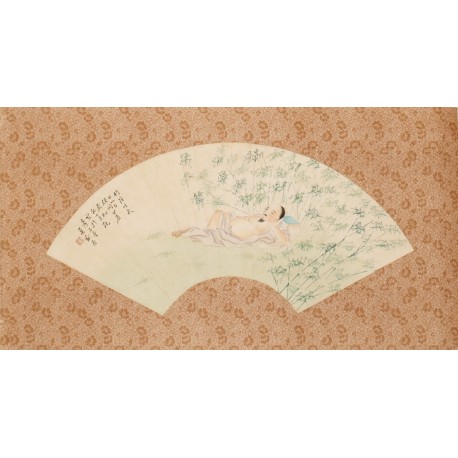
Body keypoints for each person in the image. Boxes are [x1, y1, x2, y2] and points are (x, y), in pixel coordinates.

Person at [171, 204, 290, 247]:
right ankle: (204, 231)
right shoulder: (259, 216)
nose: (267, 211)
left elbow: (285, 240)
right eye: (268, 208)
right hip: (228, 223)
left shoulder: (272, 226)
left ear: (277, 218)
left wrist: (273, 225)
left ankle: (192, 231)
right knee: (218, 213)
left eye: (273, 212)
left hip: (230, 234)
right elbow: (245, 219)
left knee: (209, 233)